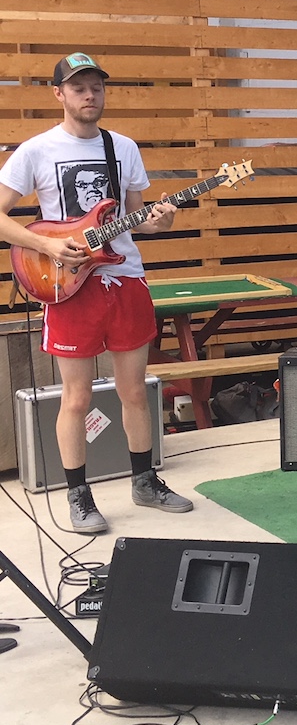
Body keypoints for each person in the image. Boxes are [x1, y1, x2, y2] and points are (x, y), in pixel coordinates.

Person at [0, 52, 193, 534]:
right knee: (76, 397)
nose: (90, 95)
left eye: (97, 87)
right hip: (68, 285)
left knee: (135, 391)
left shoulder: (122, 147)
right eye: (79, 87)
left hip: (124, 278)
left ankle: (145, 482)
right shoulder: (36, 151)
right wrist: (46, 244)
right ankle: (78, 495)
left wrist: (163, 220)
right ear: (59, 94)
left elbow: (138, 218)